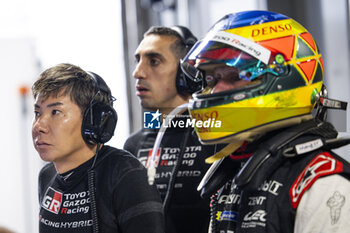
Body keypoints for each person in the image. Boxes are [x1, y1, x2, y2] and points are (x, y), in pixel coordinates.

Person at [180, 10, 350, 233]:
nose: (215, 90)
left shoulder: (323, 185)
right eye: (213, 79)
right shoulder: (235, 172)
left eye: (233, 77)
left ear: (282, 79)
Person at [32, 63, 164, 233]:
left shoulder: (126, 175)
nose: (39, 125)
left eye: (55, 112)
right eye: (37, 113)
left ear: (92, 120)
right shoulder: (47, 176)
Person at [123, 26, 220, 233]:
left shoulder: (216, 138)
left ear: (188, 72)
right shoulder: (133, 145)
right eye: (137, 60)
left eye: (154, 61)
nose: (137, 72)